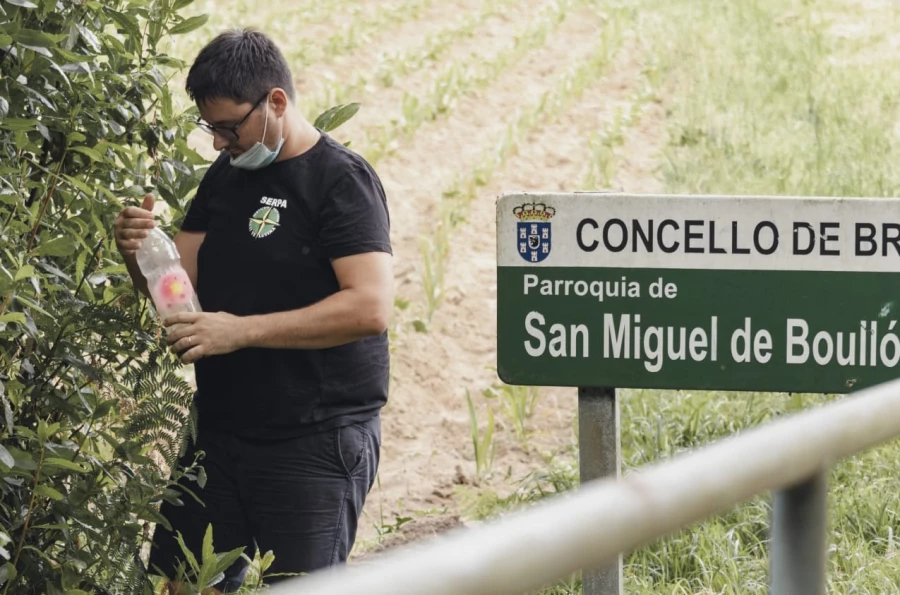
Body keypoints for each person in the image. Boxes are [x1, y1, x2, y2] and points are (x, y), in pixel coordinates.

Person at [113, 28, 393, 593]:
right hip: (220, 433)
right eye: (208, 127)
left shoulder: (341, 181)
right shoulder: (226, 177)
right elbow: (179, 295)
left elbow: (369, 307)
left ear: (276, 102)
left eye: (227, 127)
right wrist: (139, 255)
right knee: (180, 585)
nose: (217, 143)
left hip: (313, 439)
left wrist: (240, 332)